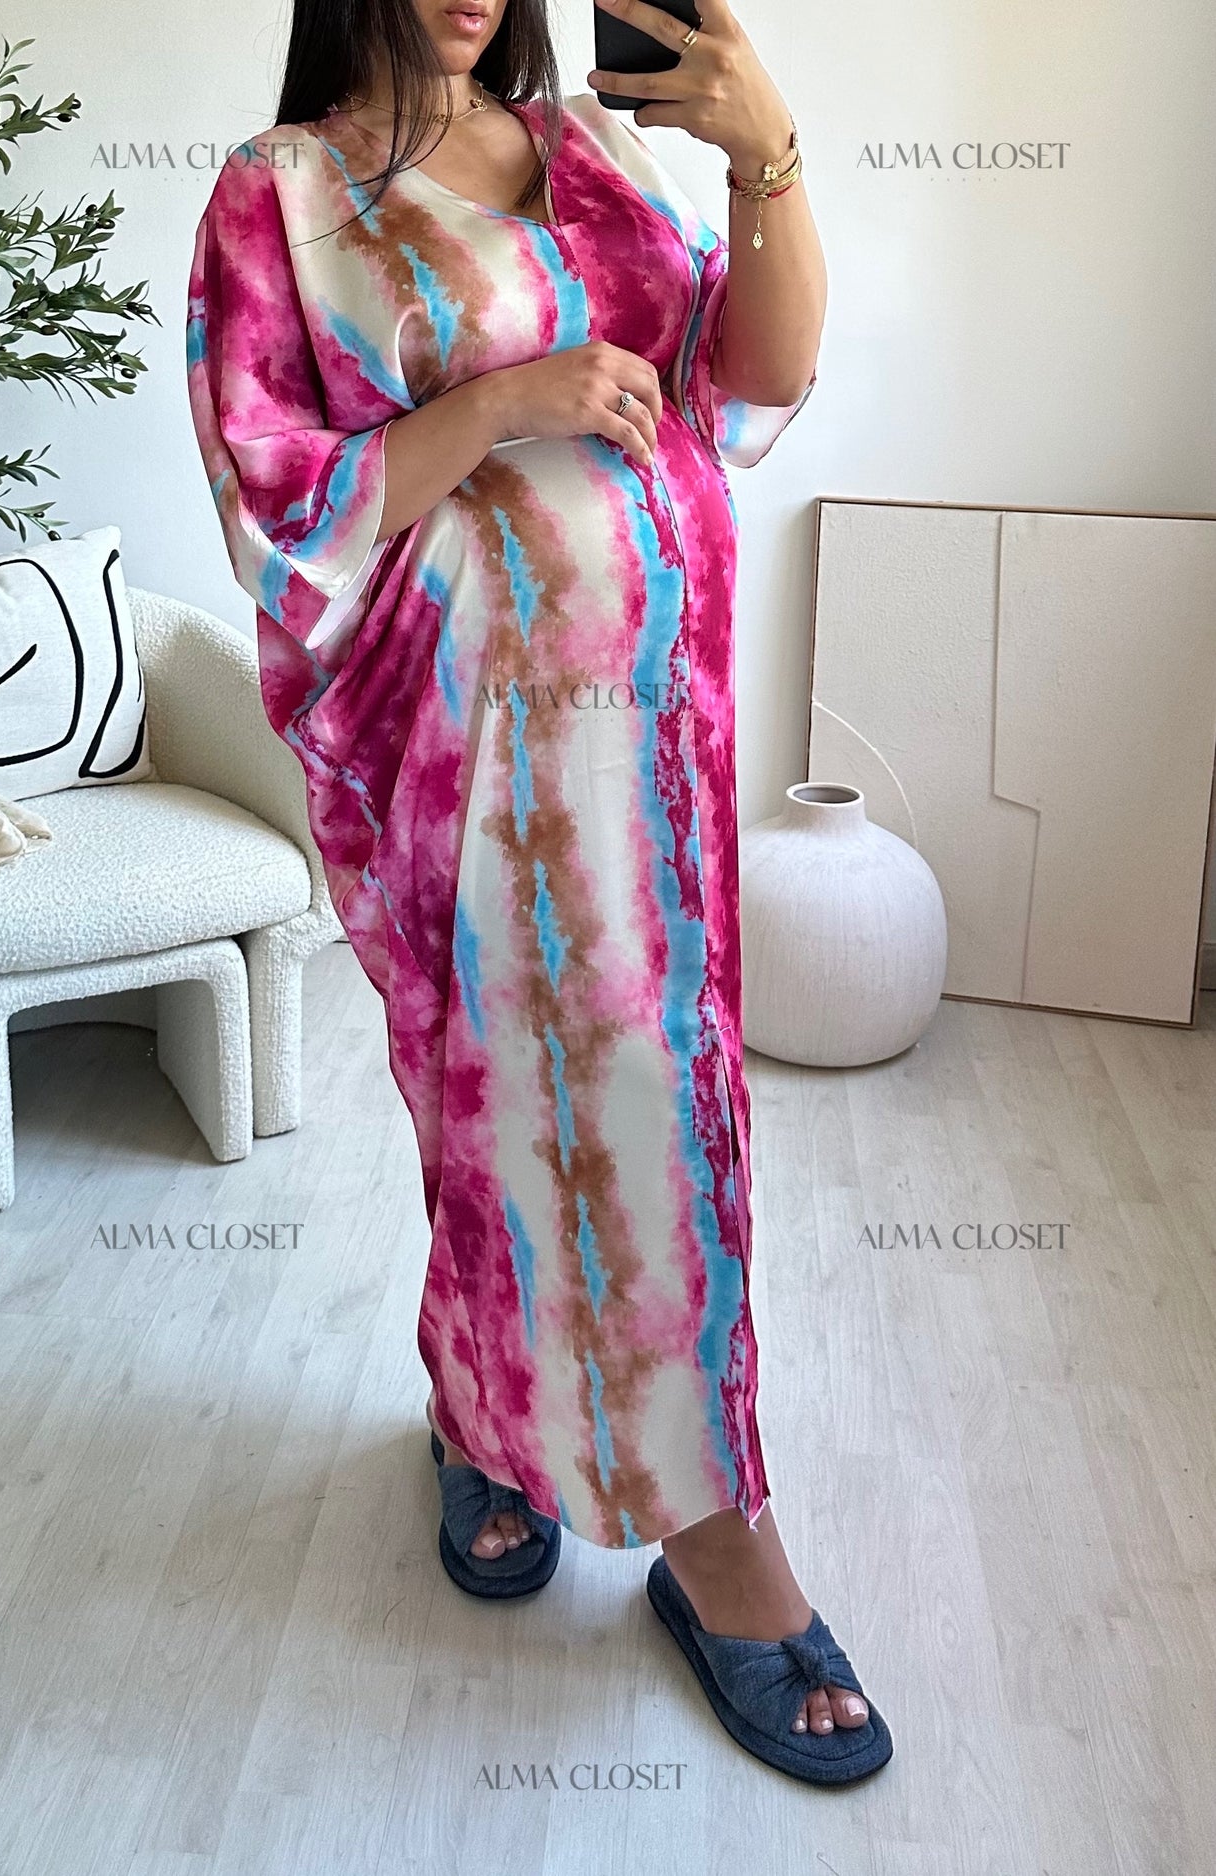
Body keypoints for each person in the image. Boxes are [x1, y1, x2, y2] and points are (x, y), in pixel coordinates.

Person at [187, 0, 892, 1785]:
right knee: (506, 1113)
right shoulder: (285, 193)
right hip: (467, 751)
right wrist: (504, 402)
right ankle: (630, 1495)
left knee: (657, 1102)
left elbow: (754, 381)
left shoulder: (598, 148)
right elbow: (274, 505)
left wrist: (765, 151)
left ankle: (613, 1476)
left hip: (656, 732)